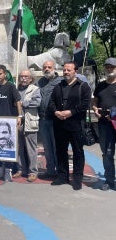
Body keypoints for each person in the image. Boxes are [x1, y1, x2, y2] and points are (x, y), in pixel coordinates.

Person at [48, 61, 91, 190]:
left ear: (75, 71)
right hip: (59, 124)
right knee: (61, 151)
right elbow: (51, 102)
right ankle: (62, 176)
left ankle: (77, 178)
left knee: (78, 152)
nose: (66, 72)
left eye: (69, 70)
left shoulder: (83, 86)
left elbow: (85, 103)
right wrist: (55, 111)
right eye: (64, 70)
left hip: (76, 124)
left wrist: (71, 112)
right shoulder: (58, 86)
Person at [0, 64, 22, 180]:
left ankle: (8, 170)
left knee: (8, 146)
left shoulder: (11, 86)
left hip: (9, 120)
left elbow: (18, 101)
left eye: (0, 74)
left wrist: (19, 115)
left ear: (5, 74)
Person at [92, 57, 116, 191]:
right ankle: (109, 180)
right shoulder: (100, 85)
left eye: (111, 67)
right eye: (107, 66)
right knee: (107, 153)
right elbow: (95, 101)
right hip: (104, 125)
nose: (109, 69)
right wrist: (95, 109)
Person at [14, 70, 41, 182]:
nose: (24, 78)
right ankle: (21, 169)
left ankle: (33, 171)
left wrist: (24, 103)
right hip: (18, 122)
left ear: (31, 79)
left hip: (30, 121)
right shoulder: (15, 89)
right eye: (22, 76)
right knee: (19, 147)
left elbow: (38, 102)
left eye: (26, 76)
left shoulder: (34, 89)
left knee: (31, 148)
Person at [37, 60, 62, 179]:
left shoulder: (61, 82)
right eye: (45, 67)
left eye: (49, 67)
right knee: (47, 147)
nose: (47, 69)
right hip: (43, 119)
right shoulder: (40, 82)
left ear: (54, 68)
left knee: (57, 146)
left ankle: (60, 171)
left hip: (55, 120)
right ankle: (50, 170)